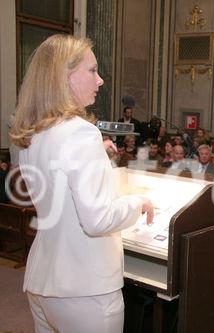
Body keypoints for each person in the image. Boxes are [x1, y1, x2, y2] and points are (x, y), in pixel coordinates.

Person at [9, 35, 154, 333]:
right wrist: (137, 203)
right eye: (92, 70)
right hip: (85, 287)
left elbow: (58, 189)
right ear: (64, 75)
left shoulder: (30, 134)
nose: (100, 81)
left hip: (42, 279)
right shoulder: (81, 133)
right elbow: (97, 219)